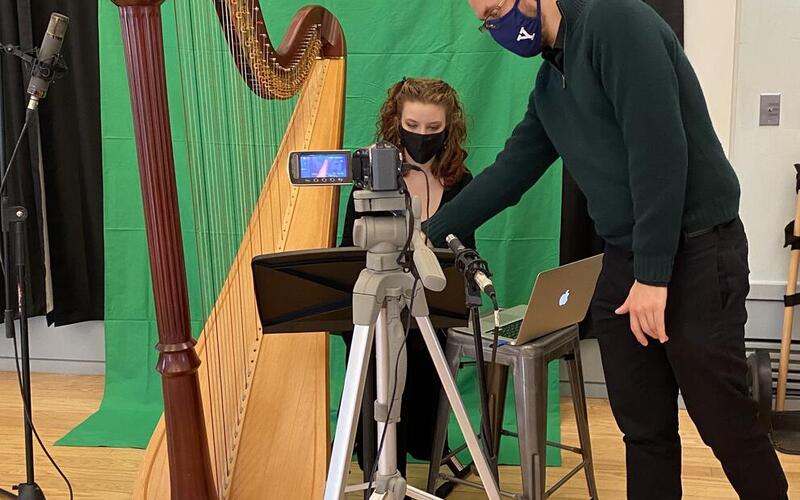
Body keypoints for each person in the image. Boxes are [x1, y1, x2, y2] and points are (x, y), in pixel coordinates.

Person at [421, 0, 789, 499]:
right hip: (623, 258)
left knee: (723, 421)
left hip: (696, 252)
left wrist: (654, 278)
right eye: (486, 21)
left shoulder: (616, 23)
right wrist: (425, 234)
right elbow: (510, 173)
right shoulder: (551, 87)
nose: (496, 25)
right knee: (643, 427)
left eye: (498, 7)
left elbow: (659, 149)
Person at [339, 77, 474, 476]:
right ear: (395, 121)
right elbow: (351, 258)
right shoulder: (371, 182)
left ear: (449, 129)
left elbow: (465, 258)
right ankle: (379, 466)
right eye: (412, 126)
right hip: (377, 318)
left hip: (431, 315)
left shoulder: (461, 183)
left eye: (433, 129)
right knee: (377, 354)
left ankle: (427, 453)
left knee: (428, 347)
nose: (422, 137)